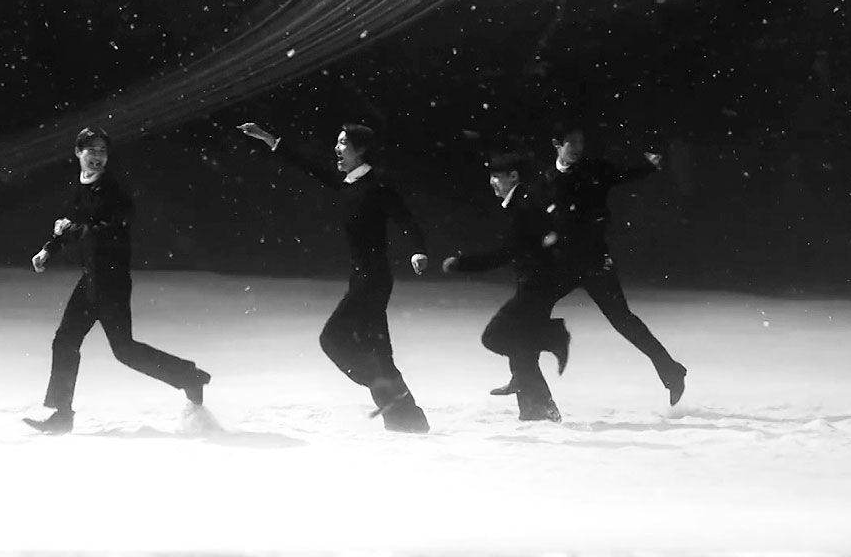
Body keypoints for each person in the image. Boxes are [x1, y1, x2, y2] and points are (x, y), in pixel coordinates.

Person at [238, 121, 431, 433]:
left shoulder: (377, 184)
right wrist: (269, 139)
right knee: (379, 352)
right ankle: (408, 420)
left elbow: (405, 219)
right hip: (362, 277)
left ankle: (389, 394)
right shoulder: (349, 182)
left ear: (361, 150)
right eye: (338, 142)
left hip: (373, 279)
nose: (337, 148)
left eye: (343, 143)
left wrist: (418, 250)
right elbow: (310, 167)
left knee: (332, 338)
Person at [24, 128, 210, 434]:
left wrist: (71, 231)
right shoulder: (80, 186)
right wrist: (49, 249)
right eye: (91, 151)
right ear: (78, 152)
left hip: (111, 282)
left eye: (102, 152)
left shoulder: (115, 191)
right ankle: (62, 415)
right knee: (66, 340)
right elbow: (70, 224)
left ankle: (190, 377)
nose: (97, 157)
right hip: (91, 279)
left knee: (124, 350)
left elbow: (101, 231)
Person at [543, 123, 687, 406]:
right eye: (572, 142)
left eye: (581, 141)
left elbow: (624, 174)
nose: (578, 147)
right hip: (564, 265)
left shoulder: (593, 170)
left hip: (596, 262)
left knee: (623, 320)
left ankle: (670, 370)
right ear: (557, 145)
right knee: (528, 310)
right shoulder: (547, 177)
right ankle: (524, 373)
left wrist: (650, 165)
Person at [443, 152, 570, 421]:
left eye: (496, 177)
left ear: (513, 176)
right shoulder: (520, 203)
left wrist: (462, 264)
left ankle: (554, 337)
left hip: (537, 286)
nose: (492, 182)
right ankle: (537, 409)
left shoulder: (524, 205)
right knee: (522, 345)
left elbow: (505, 253)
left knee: (496, 336)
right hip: (537, 284)